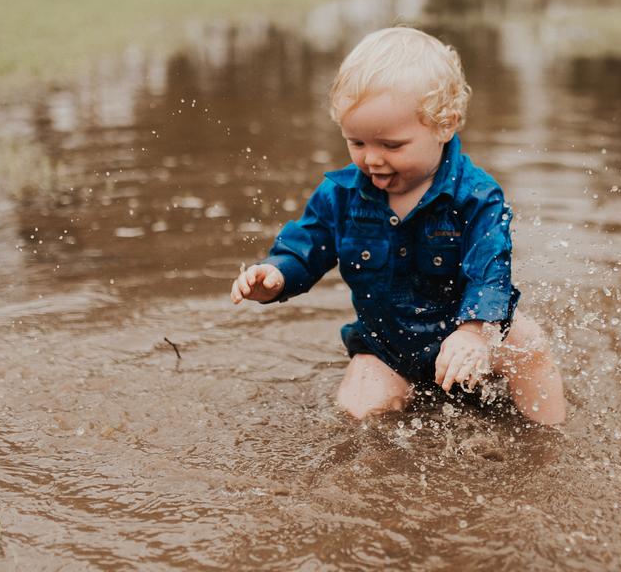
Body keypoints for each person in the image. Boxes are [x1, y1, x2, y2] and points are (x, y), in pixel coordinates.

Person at [231, 27, 566, 426]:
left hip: (469, 335)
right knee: (358, 414)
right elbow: (309, 244)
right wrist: (278, 274)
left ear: (445, 126)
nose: (372, 159)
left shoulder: (476, 196)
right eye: (357, 142)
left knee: (529, 346)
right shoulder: (339, 195)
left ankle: (549, 441)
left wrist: (475, 331)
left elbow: (490, 272)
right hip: (388, 346)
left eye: (391, 146)